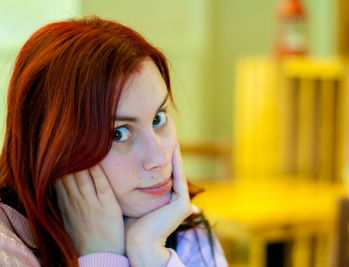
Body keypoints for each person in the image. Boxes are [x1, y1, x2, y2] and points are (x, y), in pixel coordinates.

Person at [0, 16, 228, 267]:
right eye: (119, 133)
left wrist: (149, 252)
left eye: (158, 118)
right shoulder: (8, 248)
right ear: (53, 144)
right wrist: (101, 255)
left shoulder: (179, 225)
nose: (159, 158)